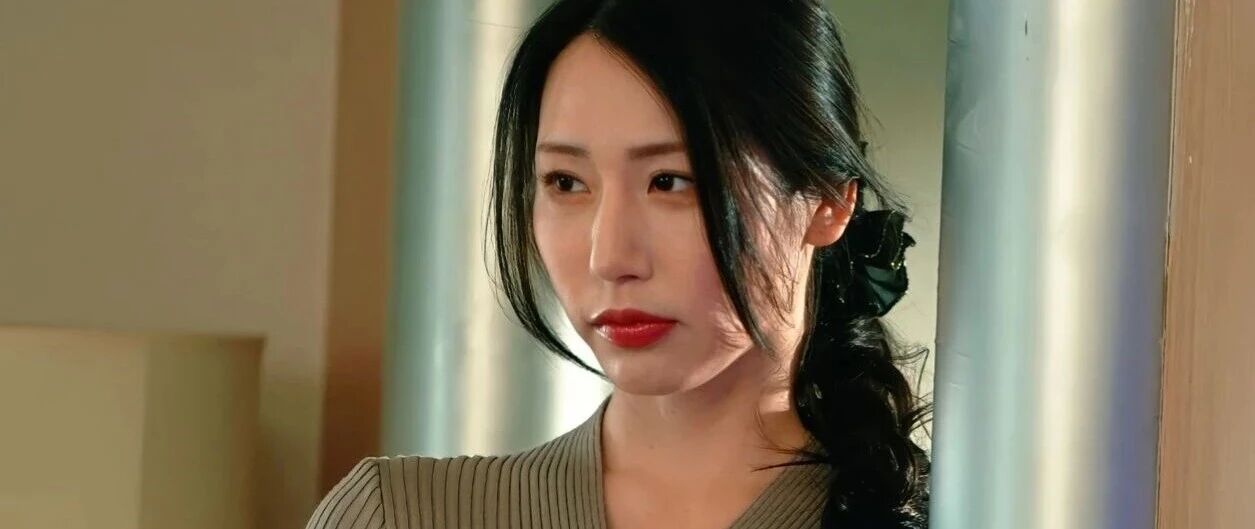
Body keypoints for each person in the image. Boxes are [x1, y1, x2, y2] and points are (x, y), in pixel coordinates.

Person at [306, 1, 929, 527]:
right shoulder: (399, 514)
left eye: (670, 181)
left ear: (826, 200)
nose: (610, 257)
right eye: (566, 182)